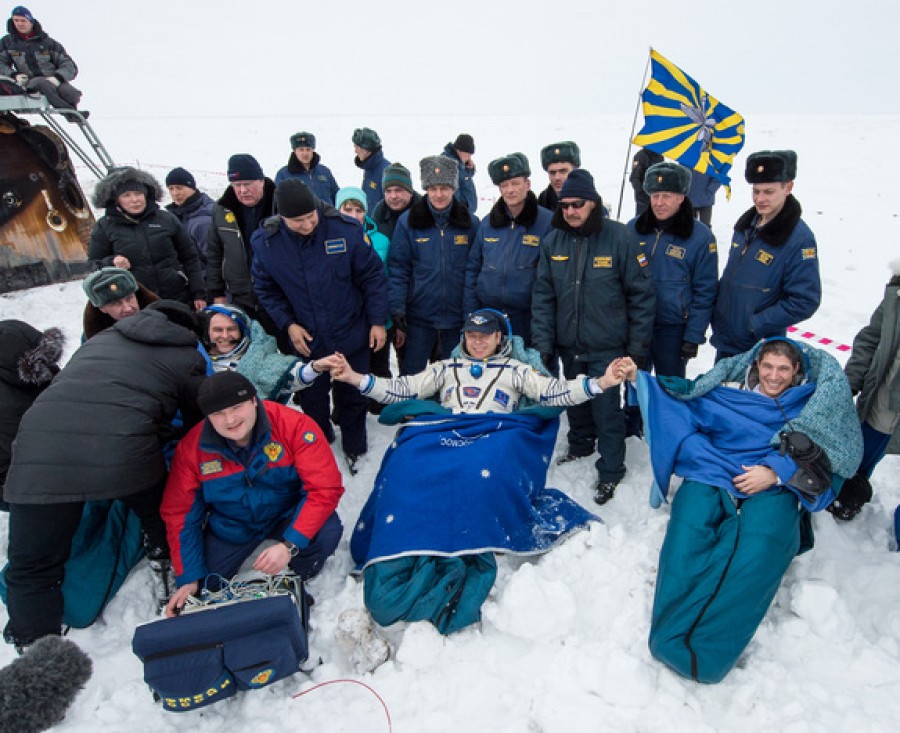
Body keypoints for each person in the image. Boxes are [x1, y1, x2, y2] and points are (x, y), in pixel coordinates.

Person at [626, 338, 861, 683]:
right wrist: (637, 379)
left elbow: (835, 453)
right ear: (756, 365)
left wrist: (777, 472)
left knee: (763, 544)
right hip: (715, 468)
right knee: (690, 529)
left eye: (783, 369)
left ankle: (709, 652)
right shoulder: (729, 390)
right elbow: (681, 397)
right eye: (768, 367)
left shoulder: (813, 405)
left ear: (796, 370)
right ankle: (669, 635)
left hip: (776, 478)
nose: (774, 376)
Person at [3, 301, 208, 649]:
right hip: (122, 453)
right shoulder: (188, 356)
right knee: (157, 509)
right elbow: (197, 424)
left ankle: (33, 643)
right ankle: (161, 552)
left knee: (30, 565)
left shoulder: (98, 341)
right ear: (187, 332)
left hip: (38, 453)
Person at [162, 370, 345, 617]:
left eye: (236, 407)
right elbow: (180, 513)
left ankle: (301, 572)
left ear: (253, 401)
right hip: (232, 526)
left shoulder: (294, 426)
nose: (230, 420)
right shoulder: (193, 448)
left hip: (286, 513)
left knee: (326, 532)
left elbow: (324, 488)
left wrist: (289, 545)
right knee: (207, 587)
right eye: (218, 413)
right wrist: (189, 577)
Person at [532, 169, 656, 505]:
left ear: (593, 202)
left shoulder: (620, 238)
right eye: (565, 205)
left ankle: (612, 468)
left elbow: (641, 297)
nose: (571, 211)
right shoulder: (553, 241)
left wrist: (637, 350)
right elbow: (543, 297)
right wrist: (543, 344)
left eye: (578, 204)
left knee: (606, 411)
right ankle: (580, 445)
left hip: (608, 346)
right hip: (568, 345)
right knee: (575, 400)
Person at [251, 179, 388, 471]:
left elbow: (373, 277)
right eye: (297, 221)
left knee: (352, 394)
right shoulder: (267, 243)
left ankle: (354, 445)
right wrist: (288, 324)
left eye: (310, 216)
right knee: (312, 398)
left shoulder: (345, 229)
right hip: (307, 337)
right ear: (282, 217)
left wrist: (377, 321)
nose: (307, 224)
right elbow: (266, 290)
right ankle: (318, 441)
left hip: (351, 330)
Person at [332, 308, 627, 412]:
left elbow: (555, 392)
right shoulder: (446, 368)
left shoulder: (516, 369)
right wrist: (351, 376)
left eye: (485, 335)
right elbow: (402, 390)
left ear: (499, 338)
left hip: (494, 438)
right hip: (449, 433)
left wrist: (602, 382)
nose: (477, 341)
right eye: (471, 335)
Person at [711, 150, 822, 360]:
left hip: (759, 349)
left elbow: (805, 300)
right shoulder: (745, 228)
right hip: (726, 340)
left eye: (768, 192)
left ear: (788, 187)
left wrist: (755, 324)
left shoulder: (798, 238)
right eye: (756, 191)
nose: (760, 199)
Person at [388, 155, 480, 374]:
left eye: (445, 188)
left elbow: (474, 271)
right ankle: (411, 409)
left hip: (457, 317)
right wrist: (398, 309)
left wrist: (471, 311)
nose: (439, 194)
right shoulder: (409, 222)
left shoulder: (470, 223)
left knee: (454, 374)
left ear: (454, 188)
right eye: (433, 188)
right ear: (426, 188)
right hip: (420, 317)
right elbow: (399, 268)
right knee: (414, 374)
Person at [626, 160, 718, 377]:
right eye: (655, 196)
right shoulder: (633, 229)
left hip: (674, 330)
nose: (659, 202)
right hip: (637, 326)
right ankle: (633, 412)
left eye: (666, 195)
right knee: (635, 385)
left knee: (671, 391)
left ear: (681, 197)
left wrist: (693, 335)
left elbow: (705, 290)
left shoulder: (700, 237)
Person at [832, 262, 900, 520]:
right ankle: (845, 498)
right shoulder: (897, 292)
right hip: (883, 399)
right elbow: (870, 339)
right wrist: (851, 381)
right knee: (860, 455)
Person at [464, 152, 552, 345]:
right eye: (504, 185)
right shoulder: (487, 224)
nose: (510, 190)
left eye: (515, 183)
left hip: (530, 321)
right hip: (491, 319)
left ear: (527, 184)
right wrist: (472, 313)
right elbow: (473, 269)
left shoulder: (547, 222)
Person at [88, 167, 206, 311]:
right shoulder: (104, 226)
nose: (135, 200)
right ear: (115, 199)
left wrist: (199, 293)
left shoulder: (166, 219)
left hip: (177, 298)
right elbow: (93, 265)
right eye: (126, 195)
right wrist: (111, 262)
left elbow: (190, 258)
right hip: (136, 304)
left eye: (138, 193)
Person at [206, 153, 279, 336]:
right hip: (241, 296)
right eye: (237, 185)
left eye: (247, 184)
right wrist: (217, 294)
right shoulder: (222, 210)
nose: (243, 190)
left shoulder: (279, 204)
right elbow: (215, 253)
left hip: (278, 294)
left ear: (261, 181)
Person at [202, 304, 330, 402]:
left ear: (243, 332)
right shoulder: (197, 360)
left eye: (231, 329)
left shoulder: (258, 358)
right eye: (218, 330)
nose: (225, 336)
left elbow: (289, 375)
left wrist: (314, 368)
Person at [336, 187, 393, 397]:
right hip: (347, 317)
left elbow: (386, 280)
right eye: (347, 209)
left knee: (378, 362)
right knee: (347, 365)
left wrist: (385, 317)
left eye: (359, 210)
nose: (353, 215)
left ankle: (380, 402)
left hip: (376, 314)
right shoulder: (331, 238)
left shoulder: (381, 241)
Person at [0, 319, 63, 507]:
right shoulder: (7, 404)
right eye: (40, 359)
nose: (48, 363)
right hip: (17, 481)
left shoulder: (41, 373)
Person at [0, 6, 83, 114]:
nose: (19, 24)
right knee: (42, 83)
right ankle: (70, 113)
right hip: (29, 82)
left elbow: (68, 65)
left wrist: (57, 78)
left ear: (31, 21)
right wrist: (14, 75)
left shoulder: (48, 43)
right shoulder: (8, 42)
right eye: (16, 20)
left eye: (23, 20)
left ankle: (72, 110)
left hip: (53, 80)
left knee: (71, 93)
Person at [81, 266, 159, 340]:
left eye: (129, 298)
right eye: (115, 303)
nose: (127, 308)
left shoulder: (163, 321)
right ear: (102, 308)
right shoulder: (93, 341)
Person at [165, 167, 215, 277]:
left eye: (179, 188)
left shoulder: (202, 221)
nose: (175, 193)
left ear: (192, 188)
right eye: (171, 188)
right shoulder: (176, 216)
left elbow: (214, 260)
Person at [274, 131, 340, 204]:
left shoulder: (324, 171)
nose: (305, 153)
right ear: (294, 151)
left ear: (313, 150)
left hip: (327, 215)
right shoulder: (283, 175)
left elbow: (338, 197)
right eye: (301, 149)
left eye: (308, 149)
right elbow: (278, 203)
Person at [370, 162, 421, 241]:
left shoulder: (426, 211)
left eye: (398, 190)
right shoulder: (380, 213)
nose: (393, 196)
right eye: (388, 191)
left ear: (410, 192)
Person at [352, 127, 391, 213]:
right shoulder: (369, 168)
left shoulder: (387, 171)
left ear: (367, 150)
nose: (355, 151)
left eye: (357, 147)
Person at [537, 141, 580, 210]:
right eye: (552, 172)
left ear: (575, 171)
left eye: (563, 171)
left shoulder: (589, 201)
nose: (557, 178)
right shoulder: (541, 204)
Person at [441, 133, 477, 213]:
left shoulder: (459, 164)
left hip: (464, 213)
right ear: (460, 151)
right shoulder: (449, 165)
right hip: (458, 215)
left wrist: (469, 170)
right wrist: (460, 211)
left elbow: (464, 182)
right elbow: (452, 195)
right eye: (468, 155)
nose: (469, 158)